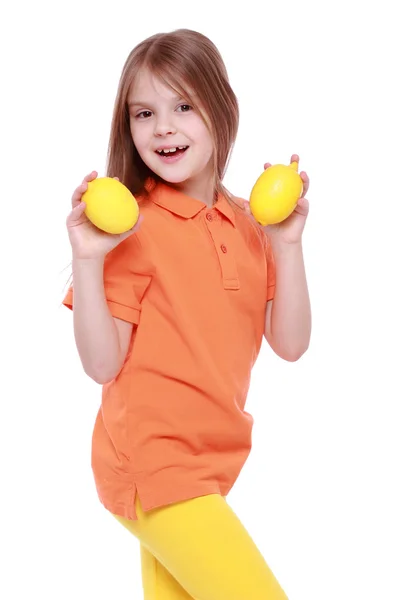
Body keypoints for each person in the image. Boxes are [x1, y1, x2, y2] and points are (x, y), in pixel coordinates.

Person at [63, 28, 311, 600]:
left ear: (221, 110)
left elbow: (291, 344)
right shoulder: (130, 228)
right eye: (144, 112)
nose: (163, 127)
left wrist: (287, 244)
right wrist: (88, 260)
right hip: (153, 467)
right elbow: (102, 366)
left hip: (211, 466)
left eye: (183, 106)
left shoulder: (252, 222)